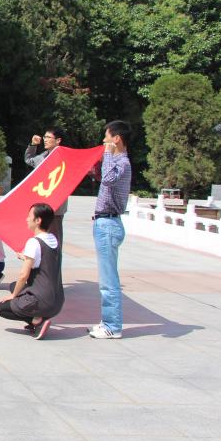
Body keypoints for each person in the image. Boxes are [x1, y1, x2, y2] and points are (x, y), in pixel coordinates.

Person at [89, 120, 133, 340]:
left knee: (108, 281)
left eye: (107, 137)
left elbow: (107, 179)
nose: (104, 141)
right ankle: (107, 322)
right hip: (104, 222)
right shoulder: (115, 162)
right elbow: (102, 177)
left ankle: (112, 326)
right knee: (106, 279)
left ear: (116, 138)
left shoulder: (121, 162)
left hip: (109, 224)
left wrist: (106, 153)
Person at [0, 203, 62, 340]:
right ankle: (38, 317)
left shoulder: (33, 242)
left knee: (1, 308)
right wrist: (25, 257)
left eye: (29, 216)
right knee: (13, 285)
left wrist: (13, 296)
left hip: (42, 301)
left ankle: (36, 321)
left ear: (38, 220)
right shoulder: (54, 239)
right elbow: (44, 258)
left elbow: (23, 275)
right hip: (57, 301)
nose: (26, 219)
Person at [25, 127, 67, 258]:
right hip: (42, 207)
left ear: (58, 140)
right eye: (45, 137)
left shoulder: (65, 157)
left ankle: (54, 271)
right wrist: (33, 145)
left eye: (48, 137)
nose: (45, 140)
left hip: (56, 209)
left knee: (54, 243)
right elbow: (29, 160)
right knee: (42, 242)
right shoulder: (43, 156)